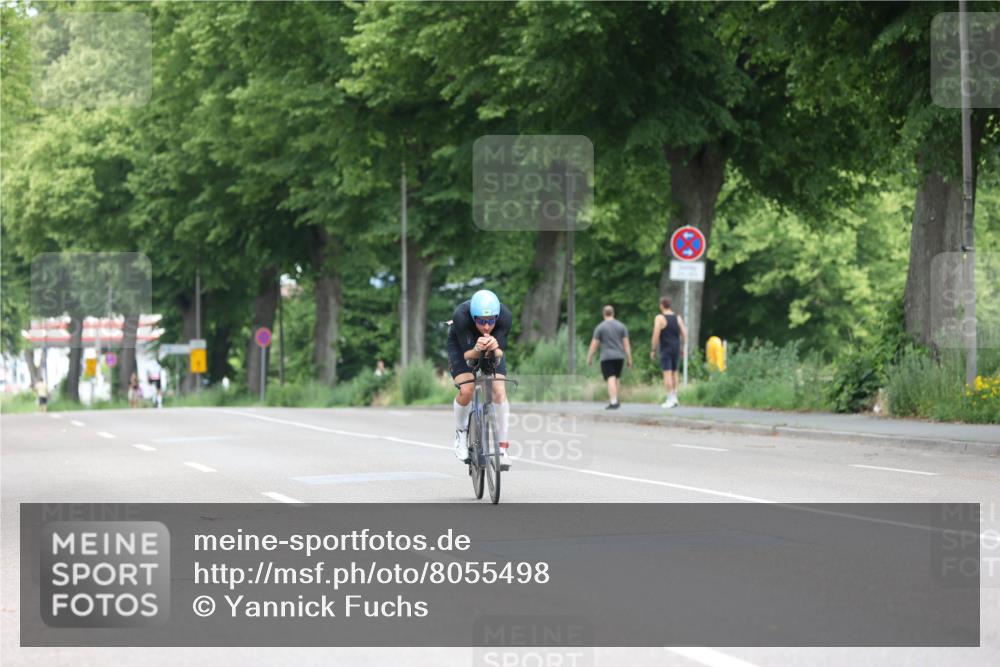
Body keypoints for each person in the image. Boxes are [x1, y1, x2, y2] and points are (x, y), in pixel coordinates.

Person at [448, 289, 513, 470]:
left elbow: (500, 352)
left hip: (490, 347)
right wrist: (477, 348)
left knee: (499, 391)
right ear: (473, 317)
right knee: (467, 388)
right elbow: (468, 355)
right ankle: (461, 433)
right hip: (463, 346)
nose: (486, 327)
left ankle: (502, 448)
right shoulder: (461, 316)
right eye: (481, 321)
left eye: (491, 321)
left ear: (497, 317)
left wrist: (493, 347)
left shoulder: (505, 316)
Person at [587, 305, 632, 409]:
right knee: (617, 378)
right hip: (620, 356)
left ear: (603, 314)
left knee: (610, 378)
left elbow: (594, 345)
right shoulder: (622, 326)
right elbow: (626, 344)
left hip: (607, 357)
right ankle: (616, 398)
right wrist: (629, 358)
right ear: (613, 313)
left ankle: (613, 402)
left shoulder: (600, 327)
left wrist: (590, 357)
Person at [651, 296, 687, 408]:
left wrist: (653, 349)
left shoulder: (660, 318)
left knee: (667, 373)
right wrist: (683, 347)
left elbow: (656, 334)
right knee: (675, 373)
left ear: (662, 305)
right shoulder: (678, 317)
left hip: (666, 348)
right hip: (676, 347)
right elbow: (684, 334)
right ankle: (675, 397)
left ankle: (670, 398)